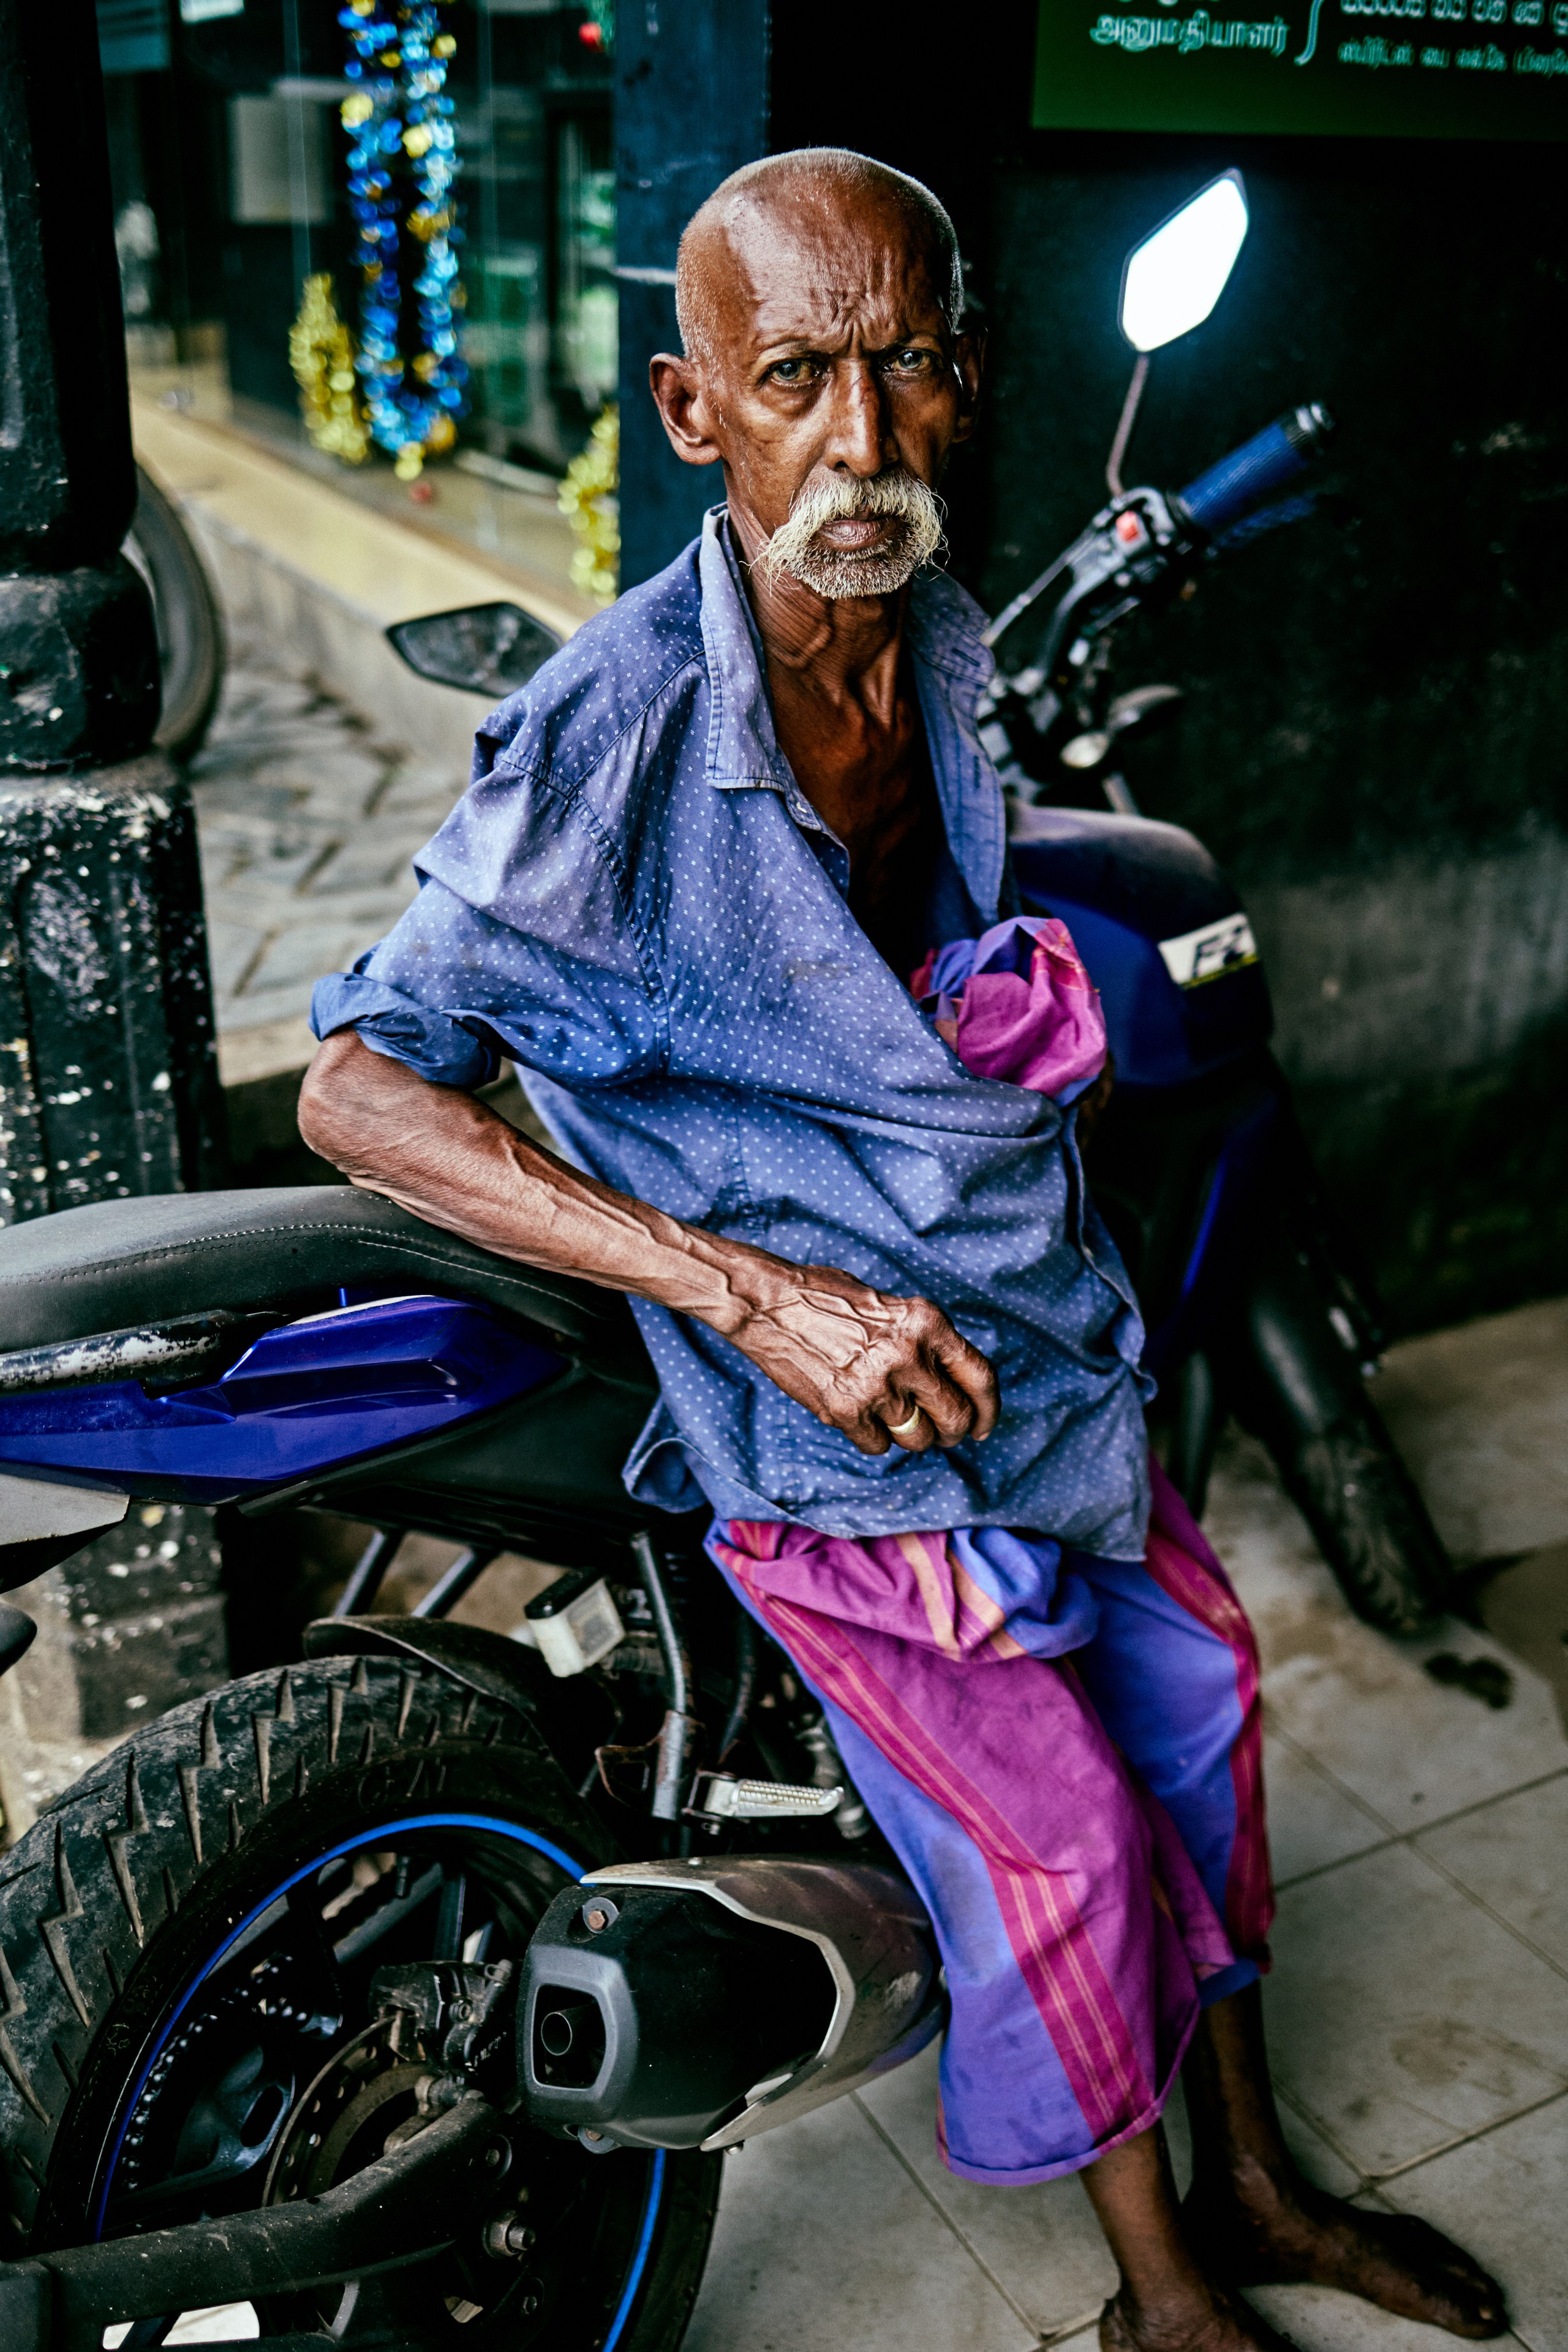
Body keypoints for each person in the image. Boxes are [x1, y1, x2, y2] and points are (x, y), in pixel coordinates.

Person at [300, 148, 1504, 2350]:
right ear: (694, 413)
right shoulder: (612, 734)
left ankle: (1253, 2183)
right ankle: (1162, 2294)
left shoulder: (928, 624)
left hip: (1040, 1340)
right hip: (838, 1436)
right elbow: (361, 1088)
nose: (859, 446)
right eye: (793, 383)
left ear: (961, 379)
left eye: (907, 370)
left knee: (1204, 1726)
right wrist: (772, 1302)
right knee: (1053, 1857)